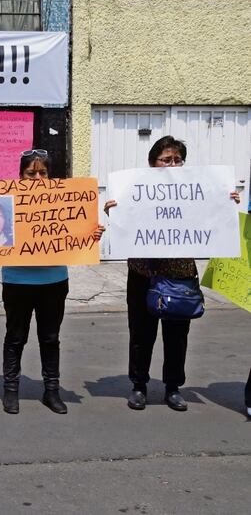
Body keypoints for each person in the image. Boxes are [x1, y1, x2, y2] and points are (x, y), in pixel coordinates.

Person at [105, 135, 240, 412]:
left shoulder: (195, 190)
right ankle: (139, 385)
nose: (173, 164)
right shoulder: (136, 190)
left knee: (177, 335)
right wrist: (114, 212)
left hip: (180, 275)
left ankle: (173, 387)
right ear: (152, 163)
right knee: (141, 333)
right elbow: (126, 225)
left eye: (178, 160)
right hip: (143, 273)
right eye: (166, 159)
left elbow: (213, 217)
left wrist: (226, 202)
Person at [0, 149, 104, 415]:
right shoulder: (6, 201)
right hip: (17, 281)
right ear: (20, 176)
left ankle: (51, 391)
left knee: (50, 337)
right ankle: (11, 390)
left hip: (54, 281)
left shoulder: (62, 200)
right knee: (15, 337)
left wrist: (92, 233)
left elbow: (78, 229)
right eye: (30, 173)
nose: (37, 178)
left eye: (43, 173)